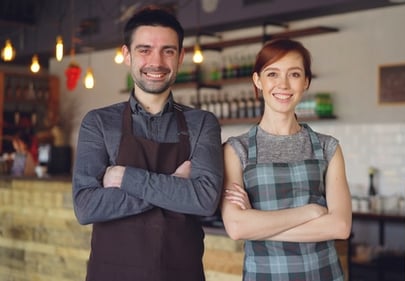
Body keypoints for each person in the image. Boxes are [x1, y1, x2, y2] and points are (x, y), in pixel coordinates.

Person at [72, 6, 223, 281]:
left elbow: (204, 200)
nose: (157, 61)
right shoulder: (98, 123)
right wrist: (173, 184)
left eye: (168, 50)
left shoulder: (202, 123)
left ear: (180, 57)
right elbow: (86, 207)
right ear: (126, 55)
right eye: (144, 50)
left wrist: (125, 177)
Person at [220, 38, 352, 281]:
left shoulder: (328, 147)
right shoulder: (235, 150)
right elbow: (237, 227)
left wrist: (258, 226)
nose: (283, 84)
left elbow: (340, 227)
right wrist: (311, 211)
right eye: (272, 73)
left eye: (294, 74)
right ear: (257, 81)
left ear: (306, 82)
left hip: (323, 274)